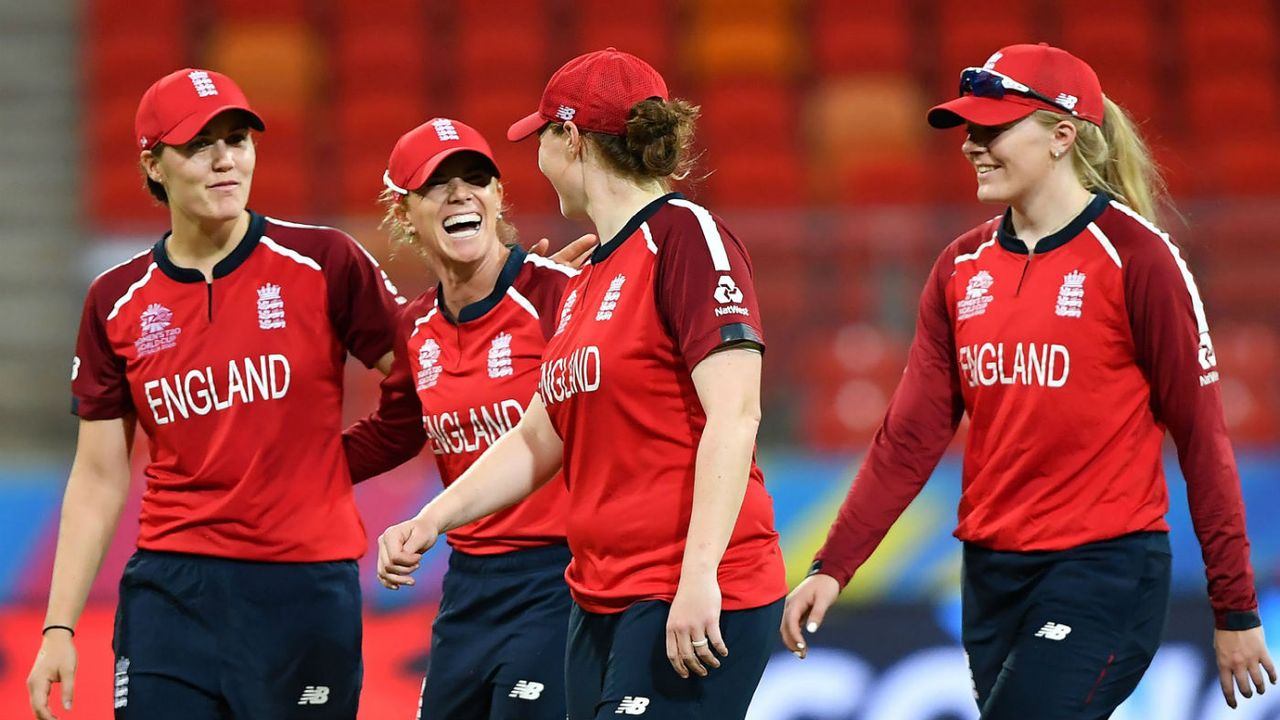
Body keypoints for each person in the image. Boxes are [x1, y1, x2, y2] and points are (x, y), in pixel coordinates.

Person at [780, 43, 1277, 718]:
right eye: (968, 131)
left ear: (1062, 135)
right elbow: (908, 440)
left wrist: (1236, 608)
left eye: (992, 129)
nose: (971, 146)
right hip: (990, 581)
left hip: (1104, 572)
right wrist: (832, 565)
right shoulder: (960, 268)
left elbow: (1203, 443)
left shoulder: (1138, 261)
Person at [376, 49, 787, 720]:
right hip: (597, 598)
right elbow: (540, 436)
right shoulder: (588, 274)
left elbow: (736, 416)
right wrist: (431, 520)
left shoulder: (685, 237)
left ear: (569, 138)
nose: (534, 155)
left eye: (540, 135)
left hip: (689, 593)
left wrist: (698, 578)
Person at [25, 68, 406, 719]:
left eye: (238, 139)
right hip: (173, 595)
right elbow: (98, 474)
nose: (227, 159)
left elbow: (427, 380)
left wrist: (511, 301)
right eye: (200, 144)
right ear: (153, 163)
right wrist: (58, 627)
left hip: (305, 590)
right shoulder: (115, 300)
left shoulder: (325, 262)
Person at [341, 117, 580, 719]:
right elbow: (395, 430)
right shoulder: (416, 326)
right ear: (404, 212)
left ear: (499, 196)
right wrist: (284, 469)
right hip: (469, 583)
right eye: (435, 184)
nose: (459, 194)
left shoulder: (561, 297)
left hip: (565, 578)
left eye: (476, 178)